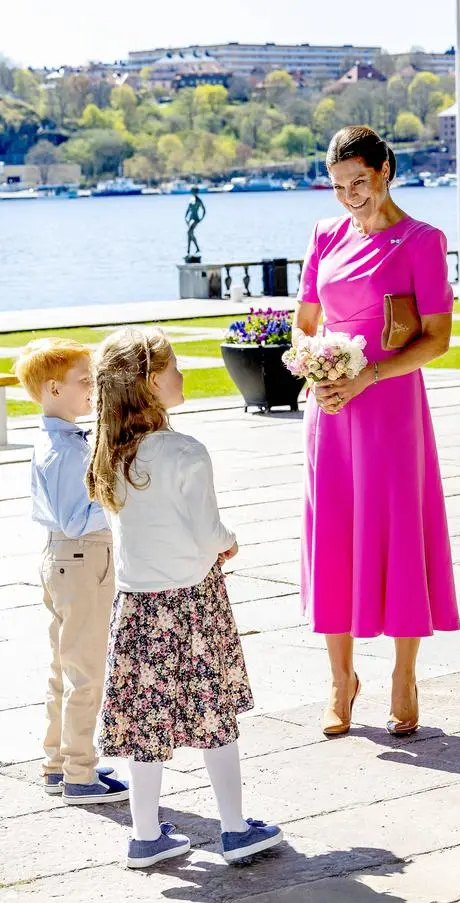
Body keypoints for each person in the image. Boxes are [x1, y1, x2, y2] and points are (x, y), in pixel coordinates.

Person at [87, 327, 282, 868]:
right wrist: (229, 543)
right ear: (150, 383)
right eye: (171, 368)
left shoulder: (110, 456)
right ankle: (236, 828)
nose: (181, 375)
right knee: (214, 714)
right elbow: (205, 532)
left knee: (146, 724)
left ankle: (145, 834)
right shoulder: (185, 452)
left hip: (137, 607)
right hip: (193, 605)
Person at [293, 126, 460, 738]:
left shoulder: (421, 240)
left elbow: (436, 339)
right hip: (332, 411)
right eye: (338, 186)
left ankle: (403, 675)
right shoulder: (324, 235)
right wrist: (316, 369)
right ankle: (341, 681)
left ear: (386, 169)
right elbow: (305, 322)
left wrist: (367, 376)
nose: (349, 196)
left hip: (390, 409)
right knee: (334, 531)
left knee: (398, 526)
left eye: (358, 182)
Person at [14, 339, 129, 804]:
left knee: (65, 665)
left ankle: (59, 761)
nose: (93, 391)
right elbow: (75, 518)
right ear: (53, 389)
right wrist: (120, 499)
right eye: (85, 382)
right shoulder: (63, 451)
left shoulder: (59, 440)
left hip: (68, 560)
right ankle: (80, 773)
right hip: (81, 559)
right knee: (86, 669)